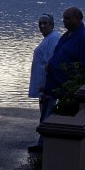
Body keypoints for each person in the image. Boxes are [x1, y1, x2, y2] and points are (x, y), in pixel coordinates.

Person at [42, 6, 85, 104]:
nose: (64, 21)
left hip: (68, 90)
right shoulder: (66, 35)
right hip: (53, 86)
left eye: (67, 18)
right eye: (63, 18)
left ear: (78, 19)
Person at [27, 13, 61, 152]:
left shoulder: (53, 39)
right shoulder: (49, 39)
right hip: (44, 85)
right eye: (40, 23)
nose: (42, 26)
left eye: (45, 23)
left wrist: (45, 84)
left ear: (52, 25)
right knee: (46, 112)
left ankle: (44, 145)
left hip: (47, 85)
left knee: (47, 113)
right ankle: (44, 142)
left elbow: (50, 63)